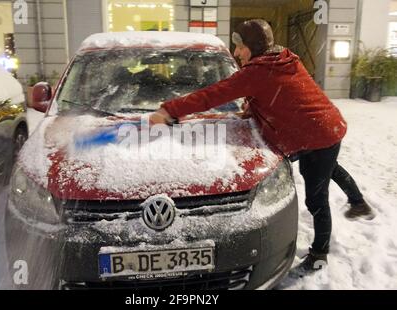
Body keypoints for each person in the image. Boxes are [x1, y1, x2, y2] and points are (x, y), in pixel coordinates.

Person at [149, 19, 374, 272]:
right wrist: (254, 107)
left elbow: (213, 94)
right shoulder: (283, 58)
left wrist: (170, 110)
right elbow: (281, 93)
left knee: (317, 198)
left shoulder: (258, 71)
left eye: (241, 47)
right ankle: (358, 202)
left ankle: (320, 254)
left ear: (253, 47)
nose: (236, 53)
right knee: (328, 167)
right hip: (326, 127)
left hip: (317, 134)